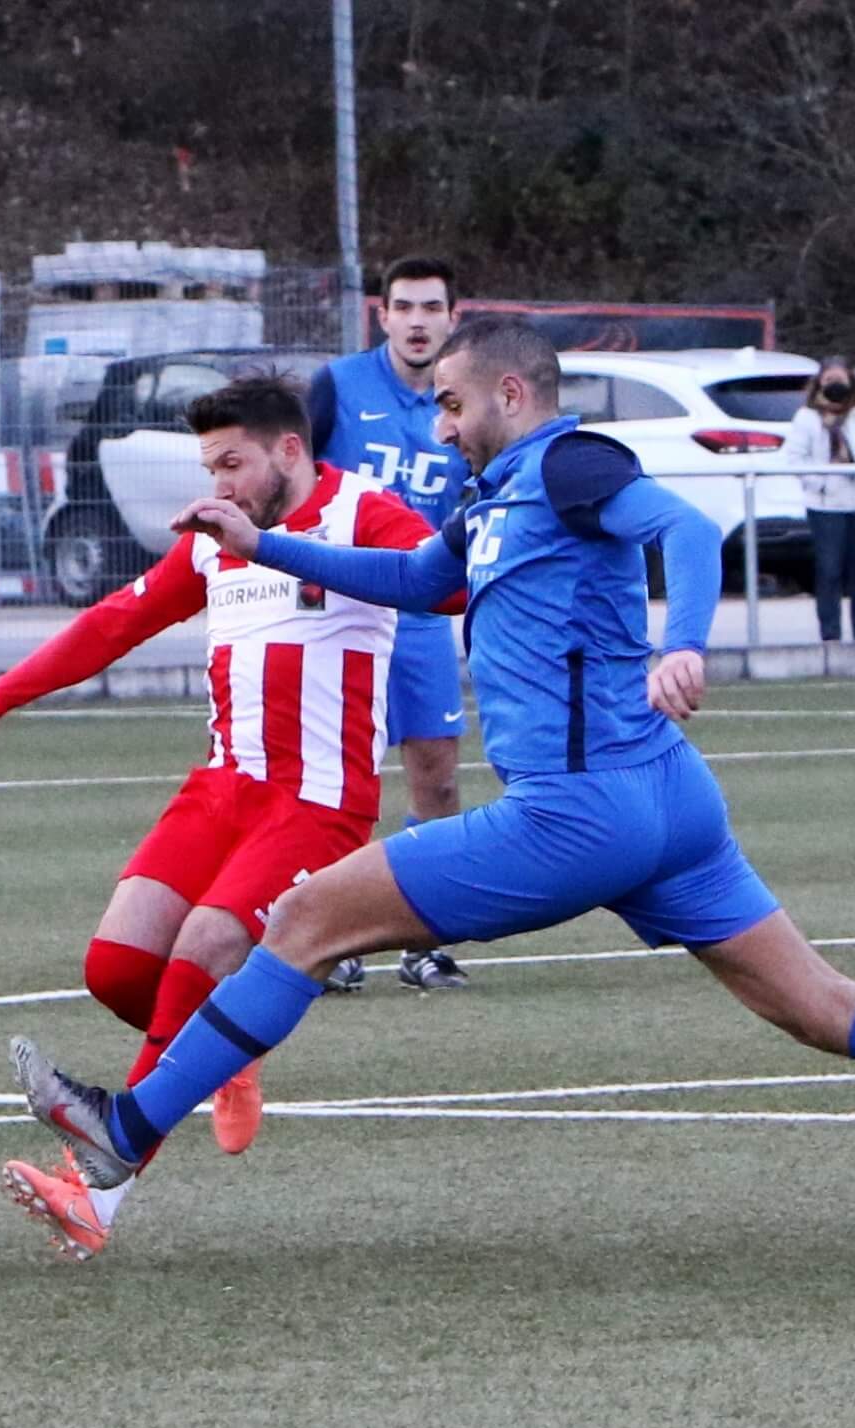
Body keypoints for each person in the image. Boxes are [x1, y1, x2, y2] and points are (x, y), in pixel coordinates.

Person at [7, 316, 855, 1254]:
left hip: (577, 812)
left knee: (300, 919)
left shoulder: (564, 461)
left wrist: (682, 643)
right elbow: (409, 577)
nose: (438, 425)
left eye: (450, 404)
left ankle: (128, 1131)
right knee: (821, 1007)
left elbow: (682, 529)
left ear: (507, 389)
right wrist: (268, 545)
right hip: (668, 806)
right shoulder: (495, 501)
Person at [0, 375, 440, 1255]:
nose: (218, 487)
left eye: (232, 464)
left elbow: (445, 585)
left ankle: (98, 1193)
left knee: (202, 950)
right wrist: (0, 697)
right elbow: (114, 623)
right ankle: (227, 1047)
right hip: (221, 787)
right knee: (114, 966)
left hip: (314, 799)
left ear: (290, 450)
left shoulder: (364, 511)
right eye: (209, 467)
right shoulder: (214, 540)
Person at [303, 253, 473, 994]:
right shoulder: (338, 387)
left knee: (437, 777)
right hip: (343, 609)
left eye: (431, 308)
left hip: (426, 612)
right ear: (382, 314)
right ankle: (329, 936)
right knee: (339, 778)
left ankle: (424, 938)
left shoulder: (463, 397)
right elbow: (290, 478)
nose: (417, 321)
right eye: (404, 307)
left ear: (451, 317)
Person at [776, 359, 855, 643]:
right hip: (825, 507)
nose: (835, 385)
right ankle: (830, 637)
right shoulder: (807, 417)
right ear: (819, 383)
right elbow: (794, 458)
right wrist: (822, 483)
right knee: (829, 572)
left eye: (840, 379)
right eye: (829, 379)